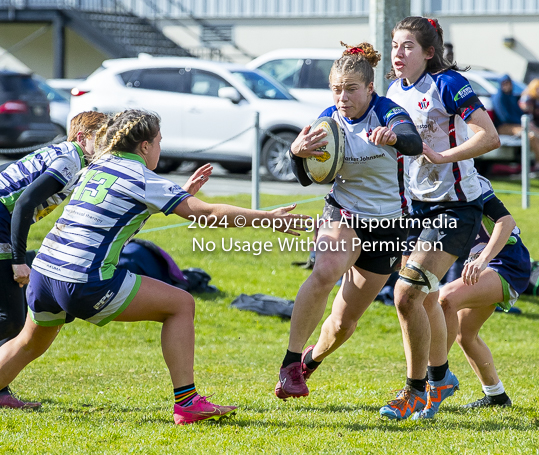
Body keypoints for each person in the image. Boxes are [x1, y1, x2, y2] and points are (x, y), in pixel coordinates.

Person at [0, 109, 308, 424]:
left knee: (28, 344)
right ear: (145, 146)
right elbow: (208, 213)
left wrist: (179, 195)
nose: (160, 148)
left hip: (45, 273)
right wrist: (270, 218)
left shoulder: (97, 166)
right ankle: (187, 403)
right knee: (180, 304)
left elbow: (118, 212)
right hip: (83, 279)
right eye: (159, 141)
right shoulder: (143, 178)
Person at [274, 42, 423, 400]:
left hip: (388, 225)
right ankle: (290, 364)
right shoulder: (328, 121)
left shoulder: (388, 112)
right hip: (342, 212)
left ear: (370, 88)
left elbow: (414, 142)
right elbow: (309, 177)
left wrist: (393, 137)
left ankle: (310, 361)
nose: (343, 97)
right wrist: (297, 154)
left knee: (343, 323)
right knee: (325, 271)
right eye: (337, 89)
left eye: (351, 89)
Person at [381, 16, 500, 421]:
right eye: (395, 45)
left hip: (456, 205)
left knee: (406, 294)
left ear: (428, 52)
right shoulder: (394, 91)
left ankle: (416, 390)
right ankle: (441, 378)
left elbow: (489, 136)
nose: (399, 53)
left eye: (408, 46)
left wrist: (442, 156)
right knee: (423, 297)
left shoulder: (448, 84)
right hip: (414, 207)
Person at [0, 111, 107, 409]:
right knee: (9, 320)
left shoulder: (71, 158)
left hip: (3, 221)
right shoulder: (69, 160)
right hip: (0, 219)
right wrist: (18, 260)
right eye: (102, 140)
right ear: (82, 138)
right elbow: (22, 203)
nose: (108, 147)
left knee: (10, 316)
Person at [439, 175, 530, 408]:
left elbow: (506, 223)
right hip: (478, 262)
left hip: (505, 261)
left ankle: (435, 378)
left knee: (447, 298)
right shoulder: (425, 183)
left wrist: (483, 259)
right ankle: (496, 396)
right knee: (465, 334)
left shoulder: (471, 181)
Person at [493, 75, 539, 172]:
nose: (507, 86)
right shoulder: (498, 97)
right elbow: (505, 117)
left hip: (518, 125)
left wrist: (526, 122)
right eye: (504, 84)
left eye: (509, 83)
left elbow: (520, 113)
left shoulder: (512, 97)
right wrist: (522, 122)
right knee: (531, 136)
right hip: (505, 126)